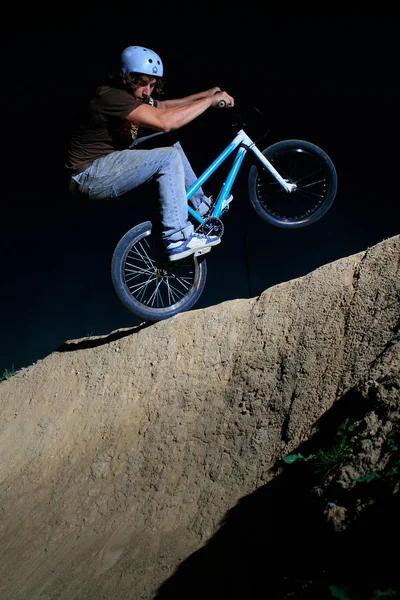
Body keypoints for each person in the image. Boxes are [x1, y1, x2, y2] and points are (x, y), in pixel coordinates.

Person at [66, 45, 235, 261]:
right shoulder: (111, 97)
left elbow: (162, 107)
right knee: (167, 157)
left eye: (152, 85)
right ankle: (177, 238)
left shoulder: (138, 97)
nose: (147, 92)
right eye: (142, 84)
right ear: (127, 79)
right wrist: (208, 102)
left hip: (104, 164)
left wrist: (207, 94)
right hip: (89, 175)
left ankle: (202, 208)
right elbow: (165, 122)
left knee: (168, 143)